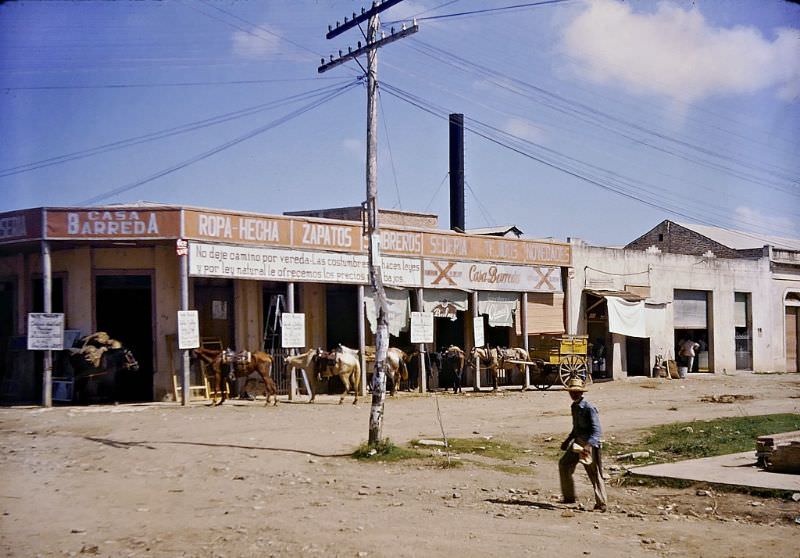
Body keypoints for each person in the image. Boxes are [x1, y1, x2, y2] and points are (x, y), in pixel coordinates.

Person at [559, 377, 607, 512]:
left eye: (576, 392)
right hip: (577, 443)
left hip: (589, 445)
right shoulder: (574, 407)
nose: (573, 394)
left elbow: (597, 431)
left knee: (595, 474)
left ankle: (601, 503)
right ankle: (569, 497)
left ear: (581, 393)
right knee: (564, 464)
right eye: (571, 392)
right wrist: (567, 441)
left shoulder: (589, 408)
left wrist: (589, 446)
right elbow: (576, 428)